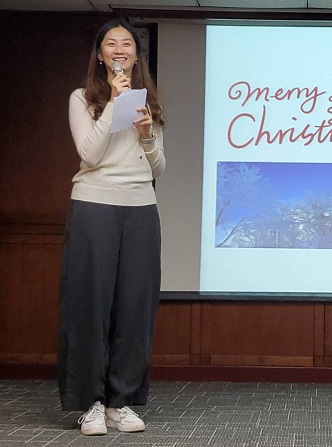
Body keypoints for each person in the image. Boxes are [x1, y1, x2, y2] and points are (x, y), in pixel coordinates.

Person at [57, 19, 166, 436]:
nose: (119, 49)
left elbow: (159, 168)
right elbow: (89, 154)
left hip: (141, 209)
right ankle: (91, 403)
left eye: (127, 44)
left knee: (134, 308)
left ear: (137, 56)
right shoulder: (81, 99)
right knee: (89, 305)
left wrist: (146, 136)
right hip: (94, 206)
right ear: (101, 55)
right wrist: (114, 109)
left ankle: (123, 401)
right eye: (111, 43)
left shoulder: (150, 103)